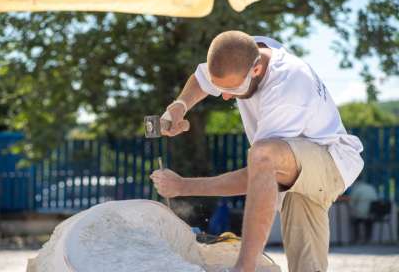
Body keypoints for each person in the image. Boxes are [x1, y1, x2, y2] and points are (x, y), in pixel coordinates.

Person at [150, 31, 364, 272]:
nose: (226, 96)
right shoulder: (246, 49)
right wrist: (180, 106)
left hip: (331, 162)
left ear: (256, 70)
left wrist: (184, 186)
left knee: (262, 155)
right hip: (296, 173)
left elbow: (260, 171)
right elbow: (201, 80)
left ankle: (245, 266)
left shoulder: (287, 87)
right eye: (220, 89)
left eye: (232, 89)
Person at [349, 178, 378, 243]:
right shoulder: (371, 187)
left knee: (355, 221)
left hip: (361, 213)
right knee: (368, 222)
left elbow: (351, 202)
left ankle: (357, 239)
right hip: (371, 213)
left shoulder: (357, 189)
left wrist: (353, 211)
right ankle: (368, 238)